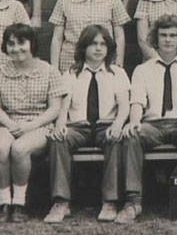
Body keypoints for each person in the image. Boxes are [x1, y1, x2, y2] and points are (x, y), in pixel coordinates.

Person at [116, 14, 177, 224]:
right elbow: (137, 101)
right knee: (132, 136)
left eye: (172, 36)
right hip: (153, 124)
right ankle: (133, 201)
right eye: (163, 35)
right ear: (155, 39)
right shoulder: (142, 69)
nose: (168, 40)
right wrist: (135, 121)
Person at [44, 25, 130, 223]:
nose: (98, 49)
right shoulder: (70, 74)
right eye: (93, 44)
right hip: (79, 126)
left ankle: (110, 201)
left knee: (115, 139)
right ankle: (61, 202)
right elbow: (64, 107)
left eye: (103, 44)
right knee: (59, 140)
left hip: (105, 125)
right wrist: (60, 125)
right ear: (83, 47)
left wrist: (118, 124)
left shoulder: (117, 73)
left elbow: (124, 106)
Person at [0, 24, 66, 222]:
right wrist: (9, 124)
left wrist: (31, 125)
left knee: (20, 149)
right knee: (0, 146)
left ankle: (20, 204)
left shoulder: (48, 70)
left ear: (32, 44)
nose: (16, 48)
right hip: (8, 122)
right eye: (11, 44)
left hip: (39, 125)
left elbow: (54, 108)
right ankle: (4, 202)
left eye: (22, 43)